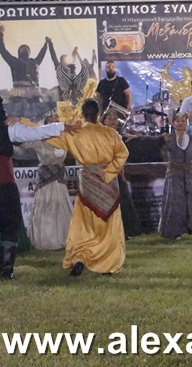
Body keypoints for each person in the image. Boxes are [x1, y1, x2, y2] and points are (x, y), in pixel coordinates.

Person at [0, 90, 76, 282]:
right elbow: (36, 132)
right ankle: (5, 272)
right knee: (10, 226)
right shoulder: (7, 126)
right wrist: (61, 126)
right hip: (3, 185)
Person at [45, 99, 129, 276]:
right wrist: (108, 172)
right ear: (98, 114)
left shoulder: (75, 133)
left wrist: (26, 125)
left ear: (82, 113)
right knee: (108, 221)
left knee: (84, 221)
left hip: (87, 180)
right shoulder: (110, 133)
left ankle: (81, 257)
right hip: (107, 181)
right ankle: (107, 262)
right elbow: (123, 153)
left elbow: (48, 137)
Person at [17, 114, 74, 250]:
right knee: (46, 205)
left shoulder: (65, 138)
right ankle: (45, 239)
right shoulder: (39, 139)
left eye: (56, 122)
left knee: (60, 205)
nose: (53, 124)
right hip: (45, 180)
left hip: (59, 180)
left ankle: (64, 237)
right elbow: (23, 142)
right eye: (50, 123)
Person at [102, 110, 142, 240]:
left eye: (114, 118)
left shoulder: (120, 136)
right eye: (109, 118)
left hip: (118, 174)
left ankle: (124, 231)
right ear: (104, 121)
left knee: (123, 203)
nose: (112, 121)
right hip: (107, 174)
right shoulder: (101, 136)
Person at [0, 24, 48, 118]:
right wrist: (1, 34)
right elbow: (2, 49)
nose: (24, 49)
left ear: (29, 53)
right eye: (22, 48)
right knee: (17, 120)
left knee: (35, 120)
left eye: (26, 49)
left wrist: (46, 44)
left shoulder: (34, 62)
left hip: (33, 96)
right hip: (19, 95)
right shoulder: (14, 62)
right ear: (19, 53)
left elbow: (41, 54)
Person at [46, 37, 89, 105]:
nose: (66, 63)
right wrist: (50, 44)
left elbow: (72, 57)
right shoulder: (59, 67)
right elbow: (53, 56)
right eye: (64, 61)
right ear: (61, 62)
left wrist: (75, 51)